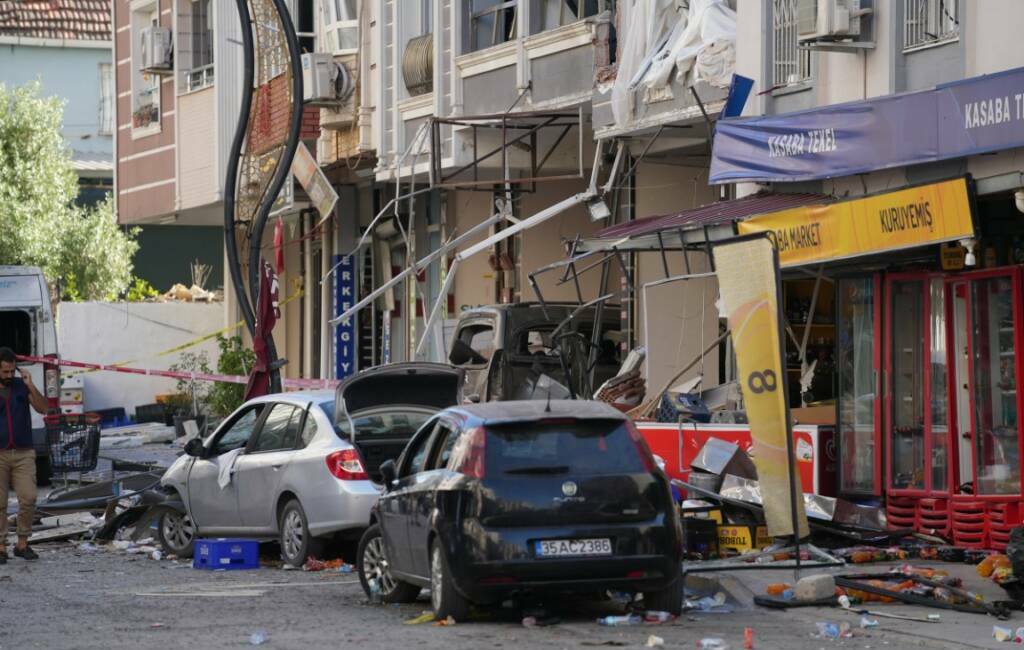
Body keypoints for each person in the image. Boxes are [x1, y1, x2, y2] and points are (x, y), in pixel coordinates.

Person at [0, 347, 48, 562]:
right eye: (5, 372)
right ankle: (1, 546)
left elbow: (43, 408)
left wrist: (30, 384)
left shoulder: (22, 386)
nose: (10, 376)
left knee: (28, 497)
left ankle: (22, 543)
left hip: (23, 451)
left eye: (12, 371)